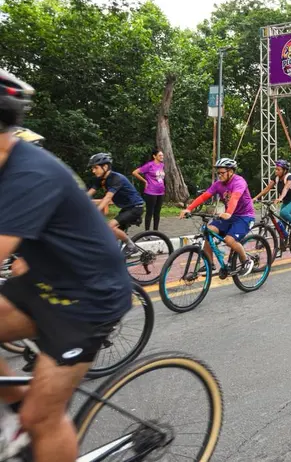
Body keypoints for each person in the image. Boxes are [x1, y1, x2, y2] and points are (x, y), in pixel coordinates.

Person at [0, 69, 132, 462]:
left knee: (44, 418)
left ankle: (33, 420)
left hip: (88, 299)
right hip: (46, 279)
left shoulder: (30, 173)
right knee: (28, 410)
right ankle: (15, 420)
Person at [180, 158, 255, 276]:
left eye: (222, 173)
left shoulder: (239, 182)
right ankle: (210, 264)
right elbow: (204, 196)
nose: (219, 175)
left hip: (245, 216)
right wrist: (189, 208)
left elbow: (234, 198)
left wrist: (228, 212)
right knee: (208, 231)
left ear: (231, 172)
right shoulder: (218, 184)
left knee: (229, 240)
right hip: (229, 216)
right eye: (218, 173)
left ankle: (246, 260)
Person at [86, 153, 145, 256]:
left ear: (105, 167)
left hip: (136, 208)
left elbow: (108, 198)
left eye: (95, 167)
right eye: (92, 168)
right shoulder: (101, 179)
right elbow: (88, 194)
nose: (93, 171)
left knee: (110, 226)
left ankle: (131, 246)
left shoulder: (116, 178)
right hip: (126, 209)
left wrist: (95, 211)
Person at [253, 160, 291, 233]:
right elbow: (267, 188)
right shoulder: (276, 178)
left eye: (278, 169)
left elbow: (286, 188)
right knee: (281, 225)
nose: (276, 171)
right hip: (286, 201)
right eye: (276, 169)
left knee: (284, 212)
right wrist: (256, 197)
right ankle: (284, 241)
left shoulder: (289, 177)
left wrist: (280, 198)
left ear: (284, 170)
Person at [132, 147, 166, 231]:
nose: (162, 157)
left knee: (157, 213)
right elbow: (135, 172)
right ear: (154, 156)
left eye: (162, 155)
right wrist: (145, 181)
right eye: (160, 155)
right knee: (149, 212)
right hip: (151, 192)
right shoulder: (149, 165)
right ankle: (147, 233)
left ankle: (156, 231)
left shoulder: (162, 165)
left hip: (160, 192)